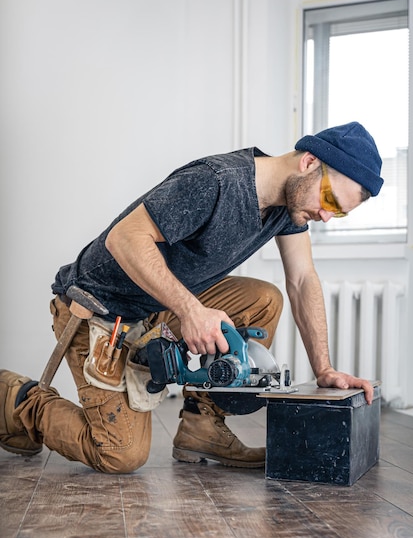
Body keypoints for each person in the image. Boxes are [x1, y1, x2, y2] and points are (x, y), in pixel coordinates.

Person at [0, 121, 383, 473]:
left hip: (156, 308)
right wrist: (190, 309)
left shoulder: (289, 207)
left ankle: (203, 427)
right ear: (309, 162)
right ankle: (13, 400)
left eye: (340, 213)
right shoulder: (215, 182)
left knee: (263, 299)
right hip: (101, 307)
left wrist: (324, 370)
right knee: (119, 453)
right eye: (330, 201)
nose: (327, 216)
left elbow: (302, 279)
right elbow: (124, 238)